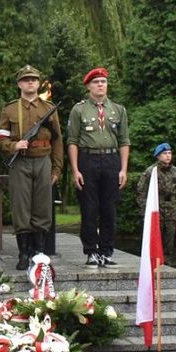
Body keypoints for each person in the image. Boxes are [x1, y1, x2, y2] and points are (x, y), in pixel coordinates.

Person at [0, 65, 63, 271]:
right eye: (26, 80)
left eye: (33, 79)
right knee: (21, 207)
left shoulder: (48, 108)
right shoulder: (10, 109)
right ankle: (23, 253)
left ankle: (39, 252)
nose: (30, 82)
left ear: (38, 83)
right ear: (19, 84)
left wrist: (57, 169)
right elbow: (0, 136)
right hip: (20, 162)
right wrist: (13, 146)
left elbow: (58, 140)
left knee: (42, 208)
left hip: (43, 160)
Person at [67, 67, 130, 266]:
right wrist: (76, 169)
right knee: (89, 209)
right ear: (88, 86)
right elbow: (73, 141)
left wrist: (123, 169)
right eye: (96, 82)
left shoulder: (118, 110)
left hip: (111, 161)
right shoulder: (79, 109)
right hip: (88, 160)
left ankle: (107, 251)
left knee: (109, 209)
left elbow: (124, 141)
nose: (100, 85)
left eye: (103, 81)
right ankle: (91, 251)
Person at [135, 142, 176, 253]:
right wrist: (145, 212)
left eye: (169, 153)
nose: (168, 156)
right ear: (158, 156)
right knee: (155, 245)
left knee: (169, 245)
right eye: (165, 153)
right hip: (156, 212)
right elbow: (141, 192)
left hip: (171, 213)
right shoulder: (150, 172)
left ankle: (168, 267)